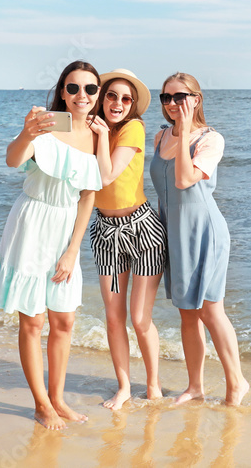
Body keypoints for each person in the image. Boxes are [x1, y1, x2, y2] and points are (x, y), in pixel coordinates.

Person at [0, 60, 103, 430]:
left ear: (97, 94)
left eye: (90, 89)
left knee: (65, 320)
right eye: (73, 88)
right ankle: (41, 405)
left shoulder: (97, 134)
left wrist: (73, 250)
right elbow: (12, 160)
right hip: (32, 222)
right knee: (33, 321)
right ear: (62, 91)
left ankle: (57, 398)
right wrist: (26, 134)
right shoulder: (44, 123)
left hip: (64, 228)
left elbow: (88, 196)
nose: (81, 96)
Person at [149, 72, 249, 406]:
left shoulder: (210, 139)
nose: (173, 103)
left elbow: (184, 180)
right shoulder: (159, 137)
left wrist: (187, 128)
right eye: (167, 98)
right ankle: (195, 387)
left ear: (196, 98)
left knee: (210, 310)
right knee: (187, 313)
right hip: (172, 233)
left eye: (180, 96)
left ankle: (236, 383)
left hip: (205, 230)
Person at [87, 68, 168, 410]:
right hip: (106, 235)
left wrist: (102, 136)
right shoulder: (91, 129)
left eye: (125, 99)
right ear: (101, 96)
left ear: (132, 105)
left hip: (142, 232)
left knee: (139, 318)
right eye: (111, 95)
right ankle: (123, 387)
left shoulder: (133, 128)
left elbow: (107, 174)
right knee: (114, 315)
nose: (117, 103)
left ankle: (153, 385)